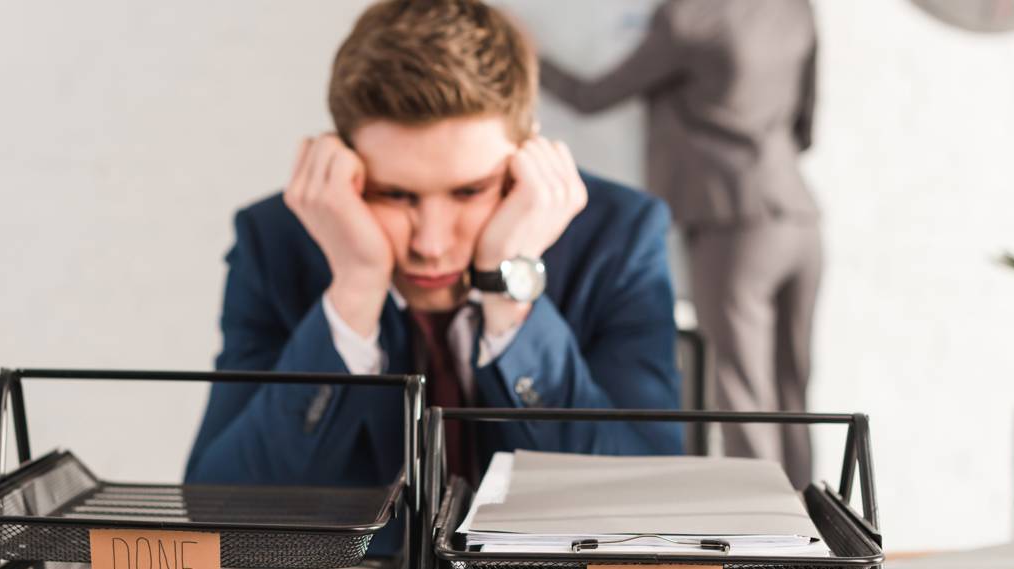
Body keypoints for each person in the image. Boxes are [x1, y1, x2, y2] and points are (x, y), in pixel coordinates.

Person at [185, 0, 683, 515]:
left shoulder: (620, 235)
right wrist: (354, 290)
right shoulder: (274, 242)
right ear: (343, 165)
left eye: (470, 191)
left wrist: (510, 290)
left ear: (525, 165)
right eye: (394, 194)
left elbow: (647, 499)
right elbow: (219, 509)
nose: (431, 244)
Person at [538, 0, 821, 489]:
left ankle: (767, 526)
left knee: (741, 391)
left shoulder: (689, 17)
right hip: (799, 214)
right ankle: (808, 521)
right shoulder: (797, 9)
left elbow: (591, 96)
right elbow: (806, 122)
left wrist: (529, 55)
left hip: (730, 220)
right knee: (791, 391)